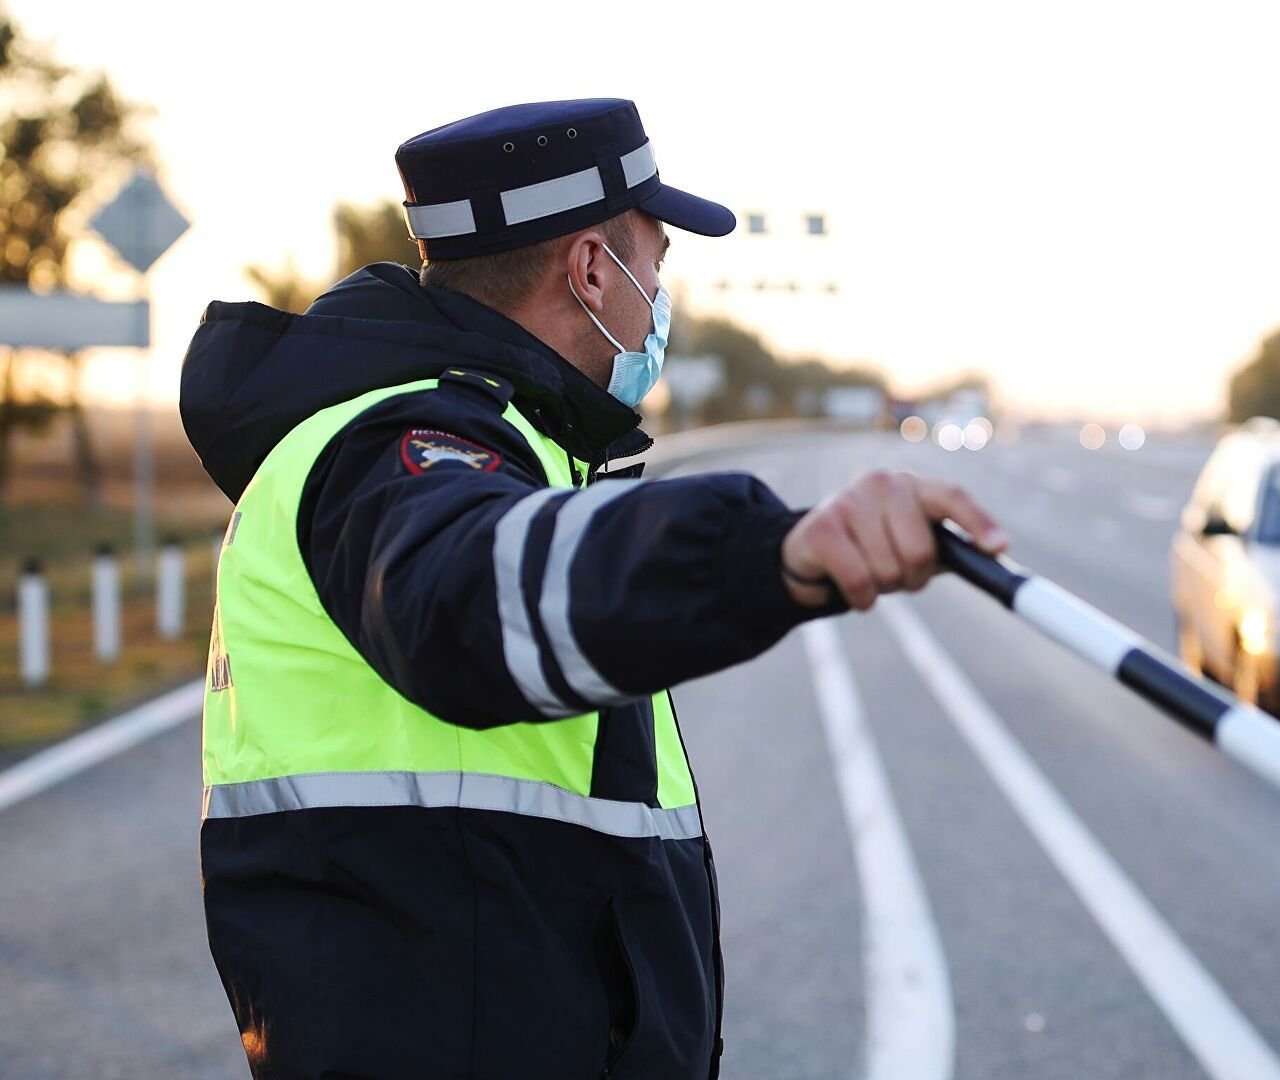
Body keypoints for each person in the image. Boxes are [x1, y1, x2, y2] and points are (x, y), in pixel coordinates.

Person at [179, 97, 1005, 1079]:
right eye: (656, 261)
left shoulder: (505, 444)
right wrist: (762, 553)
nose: (660, 294)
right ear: (589, 268)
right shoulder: (397, 446)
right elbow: (463, 595)